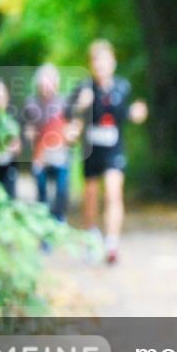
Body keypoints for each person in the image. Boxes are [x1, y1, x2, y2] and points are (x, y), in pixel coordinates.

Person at [67, 40, 148, 265]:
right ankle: (92, 237)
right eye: (96, 62)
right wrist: (77, 116)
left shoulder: (122, 87)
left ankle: (112, 243)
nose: (101, 66)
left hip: (114, 148)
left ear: (112, 62)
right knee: (91, 196)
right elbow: (70, 116)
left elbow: (129, 113)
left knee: (114, 192)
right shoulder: (84, 88)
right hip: (91, 149)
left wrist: (136, 113)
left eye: (104, 61)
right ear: (91, 65)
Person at [24, 64, 72, 222]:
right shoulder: (31, 103)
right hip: (40, 155)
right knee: (42, 192)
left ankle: (59, 221)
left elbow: (71, 126)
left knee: (61, 190)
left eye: (50, 81)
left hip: (61, 154)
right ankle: (44, 228)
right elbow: (28, 127)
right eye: (44, 82)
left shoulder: (65, 102)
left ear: (56, 84)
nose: (47, 86)